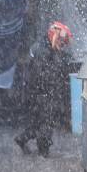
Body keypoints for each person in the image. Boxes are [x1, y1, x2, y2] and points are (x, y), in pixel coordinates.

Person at [14, 21, 73, 157]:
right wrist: (52, 91)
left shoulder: (46, 48)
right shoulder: (43, 51)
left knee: (38, 123)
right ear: (54, 36)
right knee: (46, 124)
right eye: (62, 42)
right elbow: (41, 75)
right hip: (42, 95)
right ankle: (43, 153)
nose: (62, 45)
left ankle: (22, 139)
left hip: (39, 94)